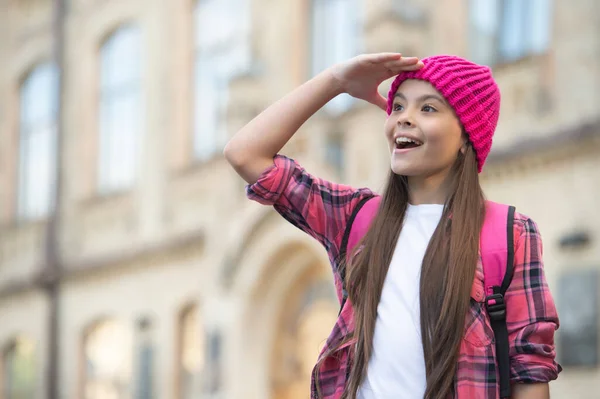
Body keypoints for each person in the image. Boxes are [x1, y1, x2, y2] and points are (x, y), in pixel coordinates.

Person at [224, 53, 561, 399]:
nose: (404, 119)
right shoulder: (354, 217)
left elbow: (530, 370)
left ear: (466, 137)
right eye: (398, 107)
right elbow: (245, 154)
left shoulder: (511, 233)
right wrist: (335, 81)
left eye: (427, 109)